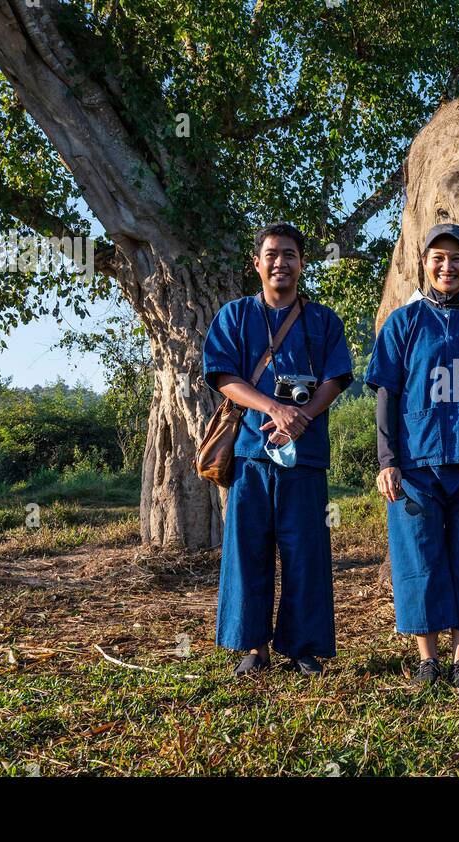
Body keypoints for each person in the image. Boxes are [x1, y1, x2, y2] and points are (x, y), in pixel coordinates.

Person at [364, 224, 459, 689]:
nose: (447, 266)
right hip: (415, 467)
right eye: (438, 258)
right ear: (424, 264)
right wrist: (387, 460)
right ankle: (428, 660)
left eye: (456, 258)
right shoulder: (403, 323)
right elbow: (387, 395)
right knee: (420, 560)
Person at [202, 222, 353, 676]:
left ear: (302, 264)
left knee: (305, 551)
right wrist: (273, 407)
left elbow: (336, 377)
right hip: (250, 453)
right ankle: (254, 647)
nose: (280, 263)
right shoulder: (235, 316)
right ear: (257, 263)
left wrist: (300, 418)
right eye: (271, 254)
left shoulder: (323, 320)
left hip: (304, 456)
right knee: (249, 551)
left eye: (289, 255)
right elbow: (224, 376)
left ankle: (302, 648)